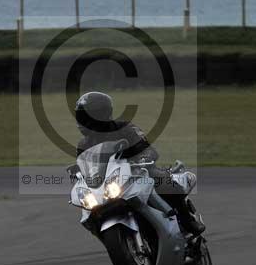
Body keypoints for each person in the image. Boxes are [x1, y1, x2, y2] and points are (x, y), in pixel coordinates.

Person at [74, 91, 205, 235]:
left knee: (163, 181)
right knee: (90, 209)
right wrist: (78, 173)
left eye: (85, 117)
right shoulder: (84, 144)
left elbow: (147, 148)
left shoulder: (125, 128)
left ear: (99, 115)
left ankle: (187, 219)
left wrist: (144, 157)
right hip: (109, 182)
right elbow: (85, 166)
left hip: (138, 171)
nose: (81, 122)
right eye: (80, 117)